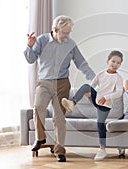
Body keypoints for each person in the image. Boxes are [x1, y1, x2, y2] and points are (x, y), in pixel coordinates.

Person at [24, 15, 96, 162]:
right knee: (38, 108)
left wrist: (95, 80)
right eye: (65, 32)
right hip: (44, 82)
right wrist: (29, 46)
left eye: (69, 32)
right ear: (55, 30)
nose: (67, 36)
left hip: (62, 83)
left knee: (59, 117)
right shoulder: (42, 41)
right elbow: (31, 59)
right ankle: (40, 138)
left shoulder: (70, 44)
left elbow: (82, 64)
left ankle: (60, 150)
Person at [61, 50, 124, 161]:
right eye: (113, 61)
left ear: (120, 65)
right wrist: (90, 92)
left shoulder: (118, 78)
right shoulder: (101, 74)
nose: (115, 64)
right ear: (107, 61)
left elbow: (119, 92)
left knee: (100, 124)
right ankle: (72, 103)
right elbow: (93, 85)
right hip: (96, 99)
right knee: (85, 86)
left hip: (105, 105)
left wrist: (106, 97)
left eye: (118, 63)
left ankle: (102, 149)